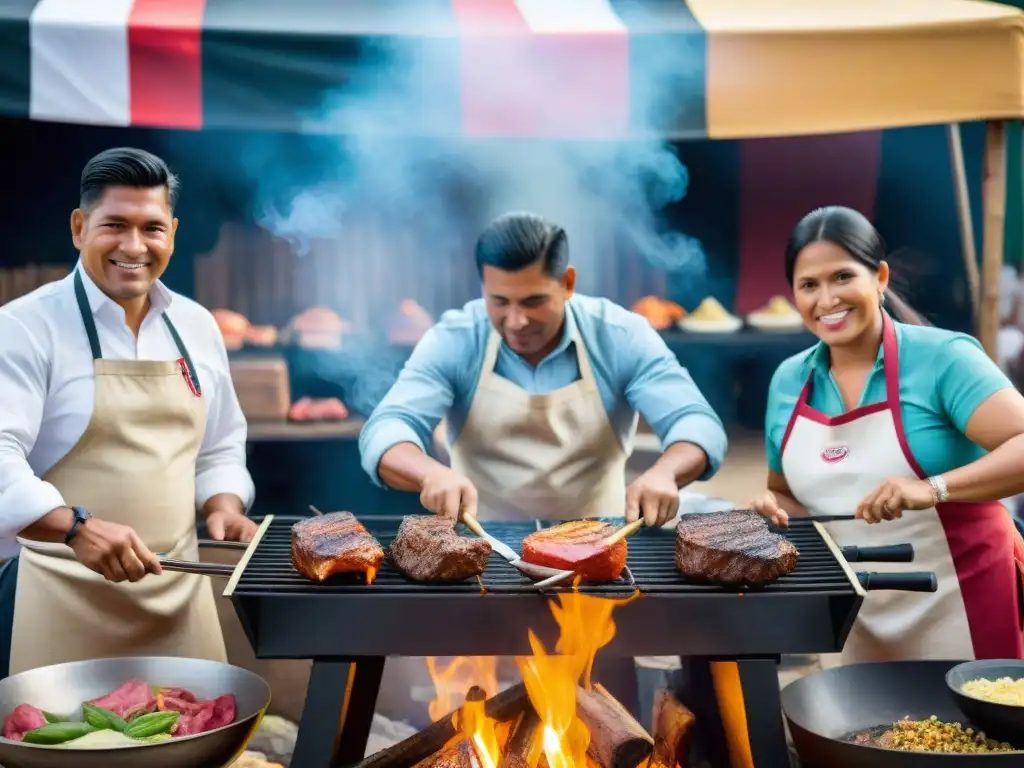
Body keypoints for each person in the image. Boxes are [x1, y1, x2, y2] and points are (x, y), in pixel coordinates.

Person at [0, 147, 256, 676]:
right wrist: (76, 528)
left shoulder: (197, 325)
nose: (134, 246)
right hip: (59, 591)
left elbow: (221, 446)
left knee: (195, 744)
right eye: (114, 225)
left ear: (173, 233)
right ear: (79, 226)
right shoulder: (24, 326)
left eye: (152, 228)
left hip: (179, 594)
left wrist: (224, 506)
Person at [753, 205, 1024, 665]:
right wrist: (777, 512)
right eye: (808, 285)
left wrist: (932, 488)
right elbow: (788, 495)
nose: (827, 299)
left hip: (963, 600)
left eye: (842, 277)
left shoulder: (943, 358)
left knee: (976, 735)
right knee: (861, 733)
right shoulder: (788, 381)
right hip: (854, 616)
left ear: (879, 277)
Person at [360, 211, 727, 525]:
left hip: (597, 544)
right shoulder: (456, 337)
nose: (516, 321)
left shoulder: (618, 334)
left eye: (533, 301)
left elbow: (698, 424)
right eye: (499, 301)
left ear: (567, 283)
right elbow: (386, 428)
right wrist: (430, 474)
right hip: (484, 547)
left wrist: (665, 473)